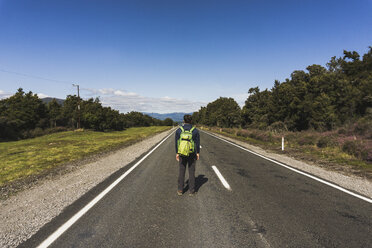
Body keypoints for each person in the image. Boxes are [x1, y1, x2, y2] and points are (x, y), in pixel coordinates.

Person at [175, 114, 200, 196]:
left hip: (182, 153)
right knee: (191, 172)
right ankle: (192, 191)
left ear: (183, 121)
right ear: (191, 121)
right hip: (191, 154)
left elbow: (176, 143)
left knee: (181, 171)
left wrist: (177, 153)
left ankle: (180, 190)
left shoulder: (179, 130)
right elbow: (197, 143)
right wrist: (197, 153)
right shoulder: (195, 130)